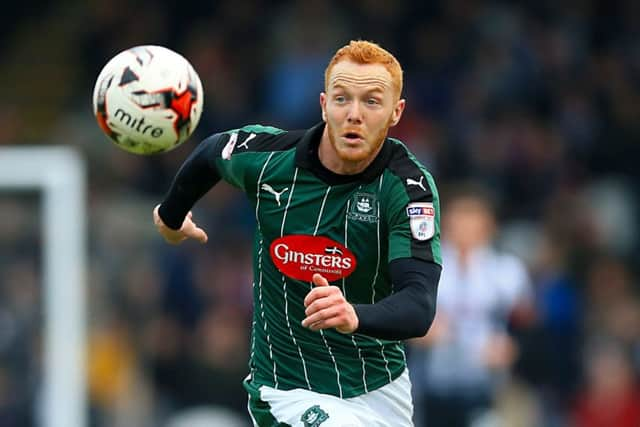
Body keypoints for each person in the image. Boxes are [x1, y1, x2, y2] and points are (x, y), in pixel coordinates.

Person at [153, 40, 442, 426]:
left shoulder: (408, 189)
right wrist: (172, 219)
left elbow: (419, 304)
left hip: (381, 388)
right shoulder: (271, 159)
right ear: (324, 104)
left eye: (372, 102)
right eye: (342, 99)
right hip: (286, 389)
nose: (354, 114)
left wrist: (353, 314)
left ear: (396, 112)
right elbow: (211, 153)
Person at [407, 184, 532, 427]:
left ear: (490, 224)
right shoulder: (425, 268)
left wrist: (512, 347)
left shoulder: (507, 271)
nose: (466, 226)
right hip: (430, 387)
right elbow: (399, 322)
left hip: (487, 387)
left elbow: (529, 329)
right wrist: (417, 331)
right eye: (459, 217)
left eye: (473, 216)